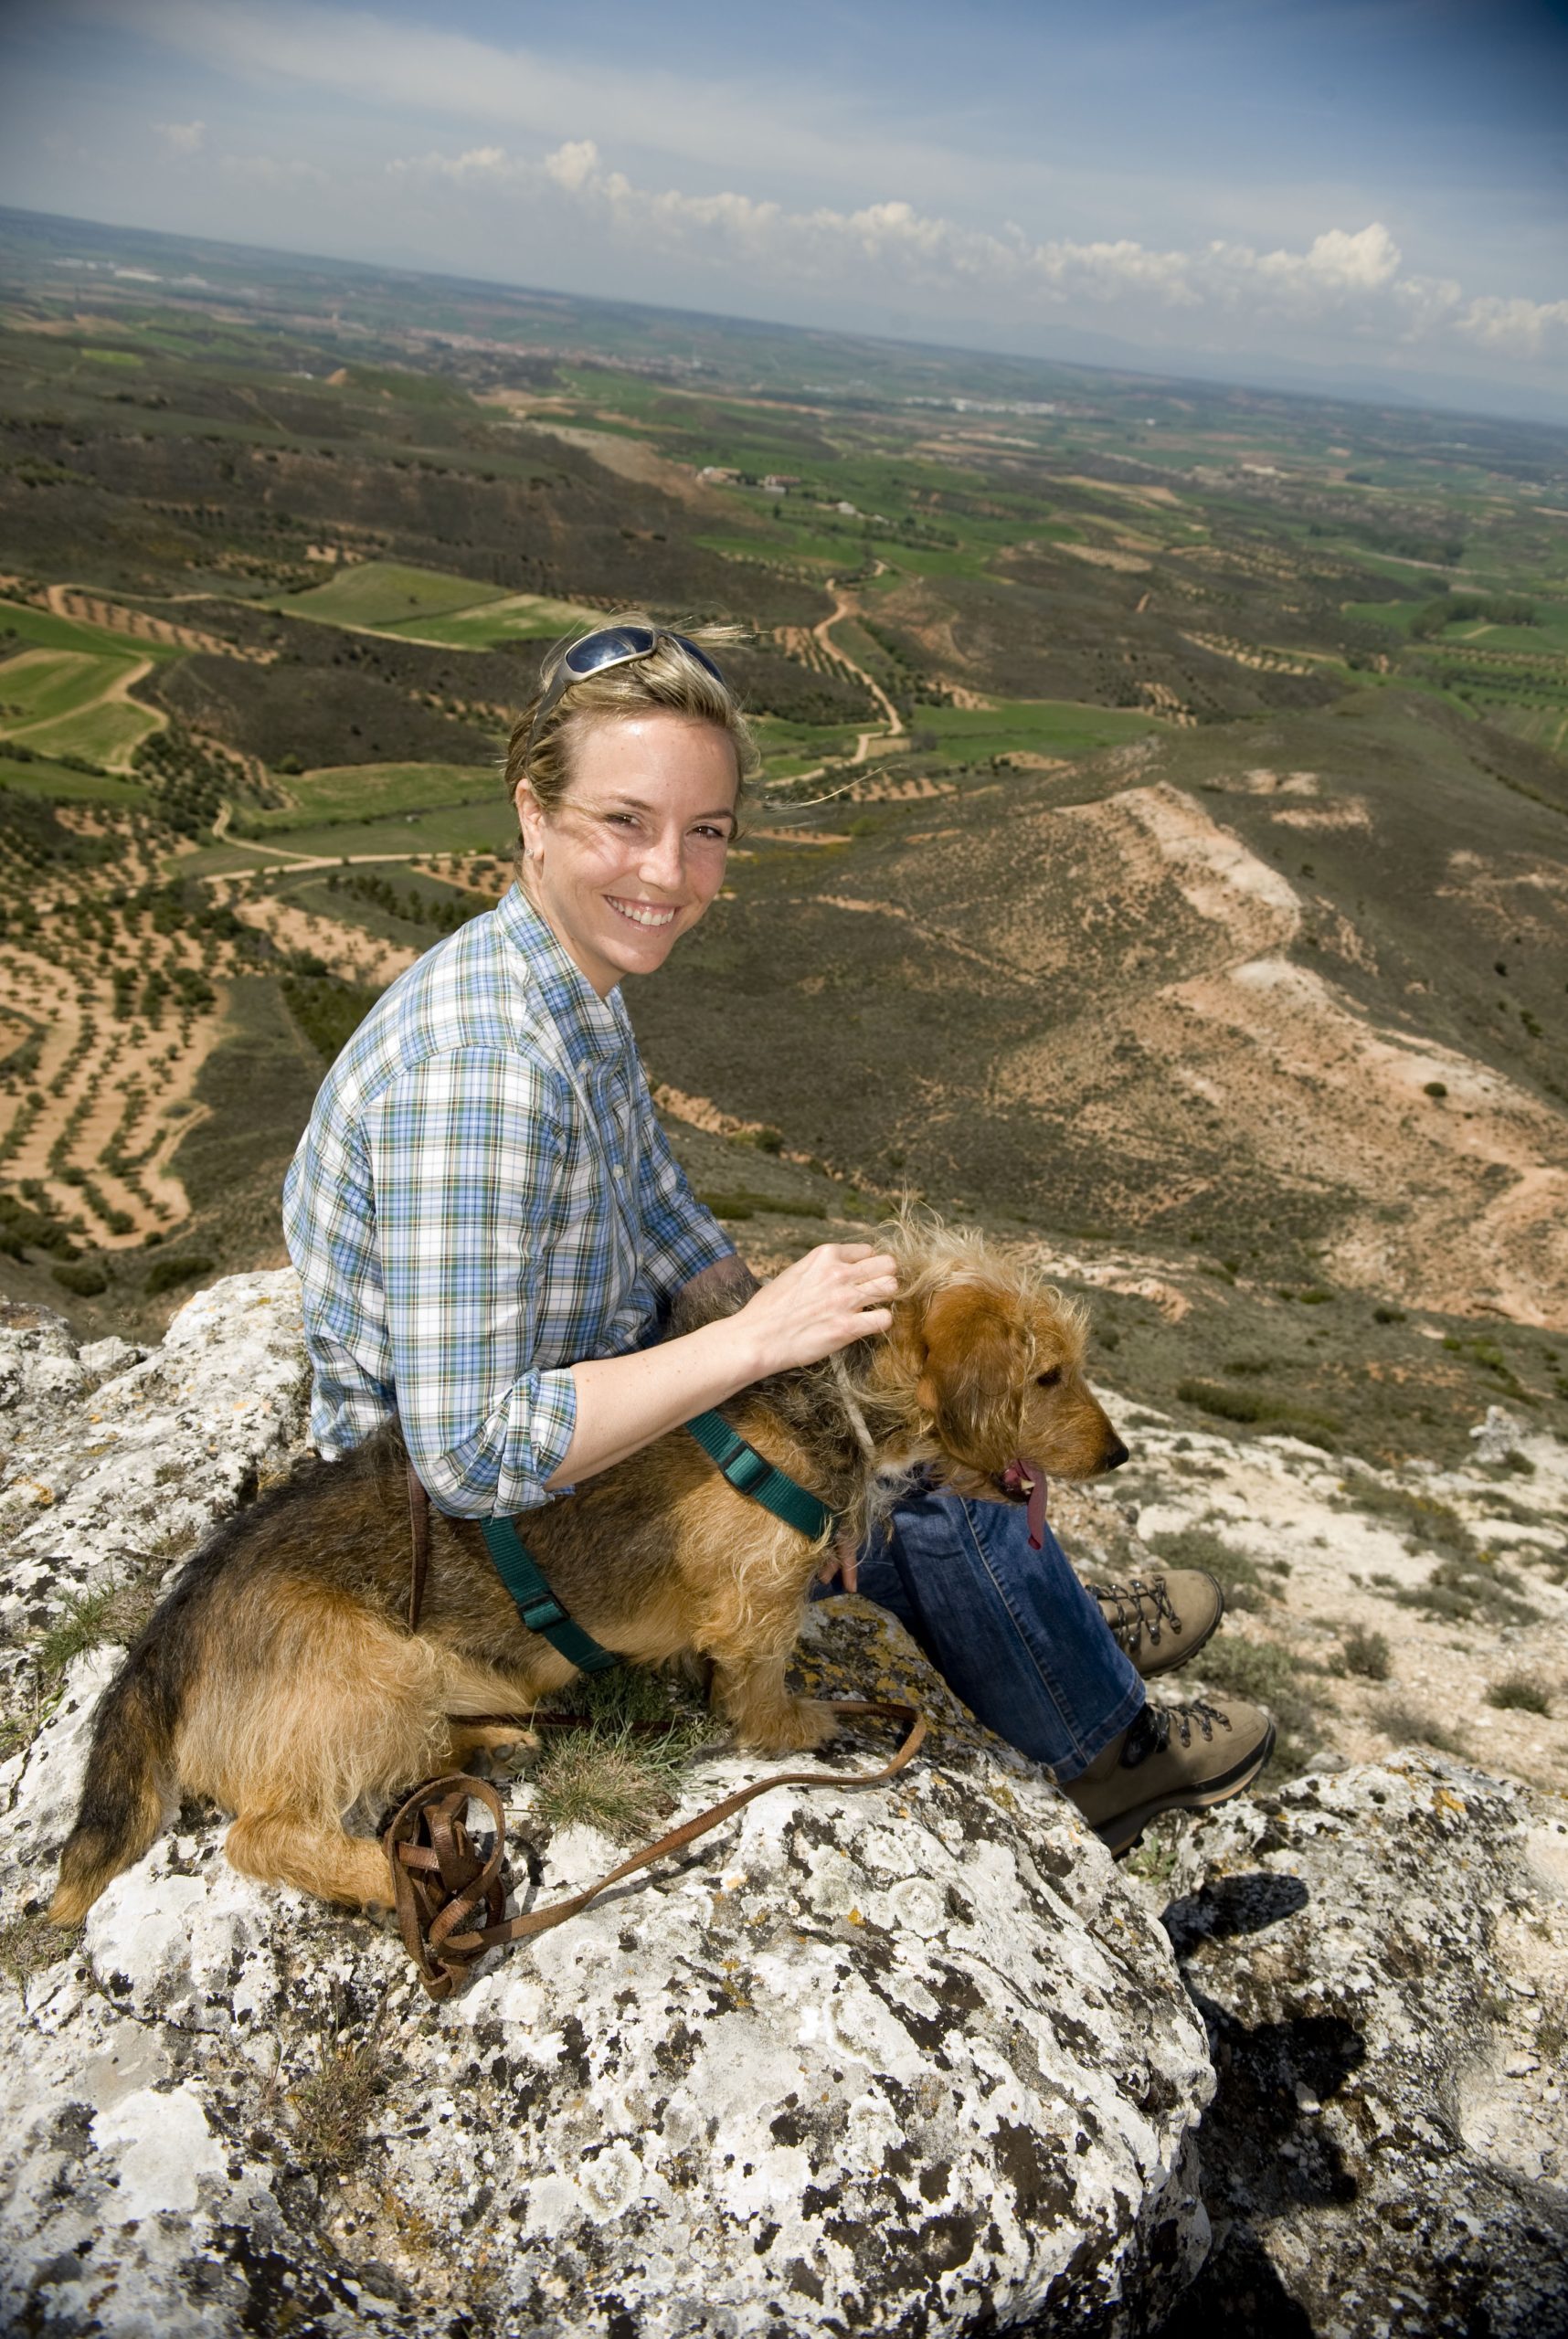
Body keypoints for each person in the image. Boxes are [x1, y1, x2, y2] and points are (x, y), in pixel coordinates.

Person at [282, 618, 1273, 1854]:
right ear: (532, 810)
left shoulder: (559, 980)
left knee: (876, 1384)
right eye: (625, 822)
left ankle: (1037, 1621)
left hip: (557, 1398)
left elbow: (650, 1202)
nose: (671, 872)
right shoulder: (485, 1074)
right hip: (466, 1538)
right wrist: (752, 1344)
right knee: (907, 1432)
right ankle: (1101, 1744)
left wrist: (797, 1347)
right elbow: (468, 1457)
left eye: (707, 833)